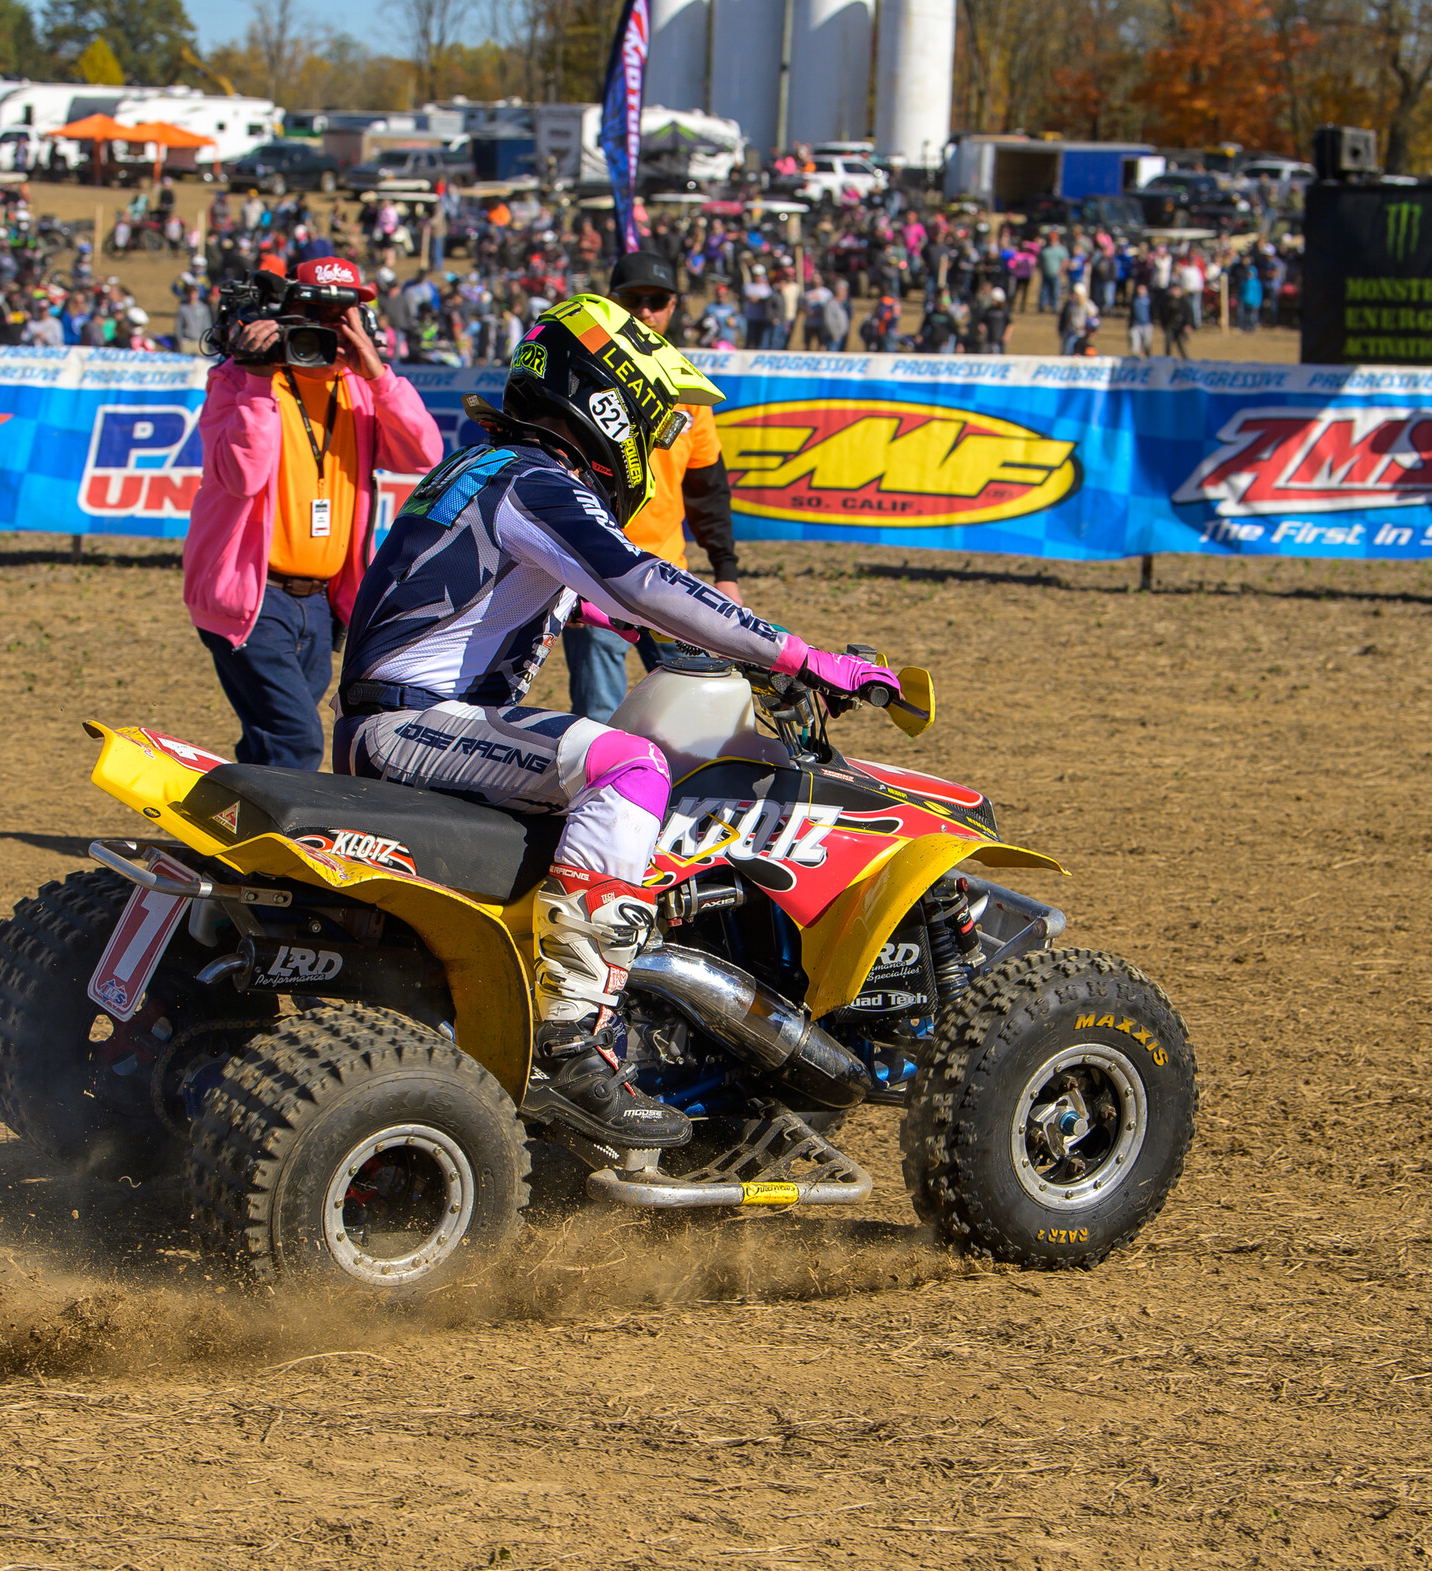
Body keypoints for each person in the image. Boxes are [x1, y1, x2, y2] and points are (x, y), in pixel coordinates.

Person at [332, 296, 901, 1147]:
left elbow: (609, 603)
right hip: (413, 725)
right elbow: (640, 580)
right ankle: (568, 1043)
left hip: (412, 722)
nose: (657, 435)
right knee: (630, 767)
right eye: (651, 417)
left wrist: (727, 649)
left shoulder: (490, 468)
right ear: (607, 403)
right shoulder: (536, 479)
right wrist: (799, 656)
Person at [185, 254, 445, 770]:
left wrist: (374, 368)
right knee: (296, 740)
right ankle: (270, 846)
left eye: (341, 315)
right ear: (289, 311)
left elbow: (424, 454)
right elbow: (242, 477)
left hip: (321, 603)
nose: (328, 327)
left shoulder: (355, 388)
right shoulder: (238, 381)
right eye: (315, 312)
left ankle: (225, 844)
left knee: (270, 746)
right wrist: (259, 378)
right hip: (254, 601)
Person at [561, 250, 743, 721]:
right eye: (632, 299)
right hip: (594, 575)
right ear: (610, 301)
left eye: (657, 300)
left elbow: (707, 488)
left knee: (690, 716)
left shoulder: (690, 392)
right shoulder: (576, 375)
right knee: (600, 717)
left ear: (674, 305)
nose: (645, 311)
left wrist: (726, 571)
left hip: (667, 577)